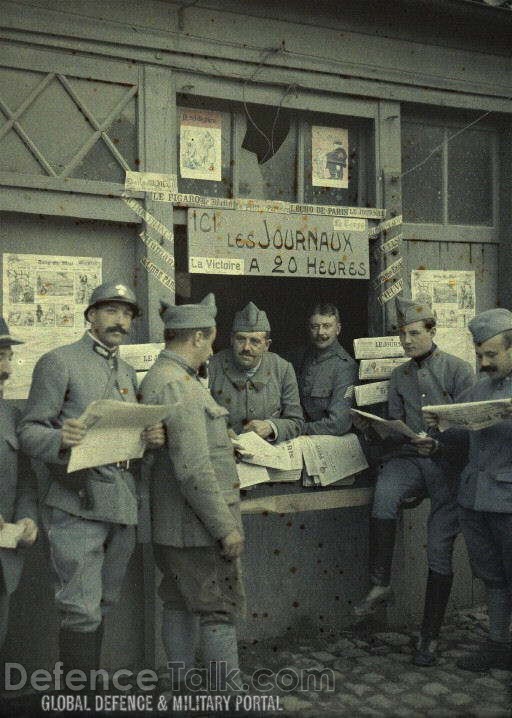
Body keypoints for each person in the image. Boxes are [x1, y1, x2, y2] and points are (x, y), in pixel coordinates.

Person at [17, 282, 164, 684]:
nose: (121, 320)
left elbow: (126, 436)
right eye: (111, 310)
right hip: (75, 501)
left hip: (120, 502)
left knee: (103, 603)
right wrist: (58, 439)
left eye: (127, 313)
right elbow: (29, 431)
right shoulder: (59, 362)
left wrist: (149, 441)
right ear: (91, 315)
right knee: (80, 610)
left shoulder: (126, 371)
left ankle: (86, 699)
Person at [353, 296, 474, 666]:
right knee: (384, 495)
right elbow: (395, 423)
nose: (407, 341)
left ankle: (429, 636)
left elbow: (469, 427)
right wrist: (380, 431)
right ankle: (381, 582)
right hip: (410, 459)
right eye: (402, 335)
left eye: (414, 334)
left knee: (438, 546)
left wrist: (438, 443)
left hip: (447, 466)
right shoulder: (399, 375)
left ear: (432, 331)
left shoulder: (458, 370)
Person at [139, 294, 245, 694]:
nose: (213, 347)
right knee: (218, 610)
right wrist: (225, 528)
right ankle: (230, 698)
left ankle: (180, 691)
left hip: (177, 526)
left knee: (180, 603)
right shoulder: (177, 383)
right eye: (212, 339)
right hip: (196, 527)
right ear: (199, 337)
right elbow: (193, 469)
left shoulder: (165, 377)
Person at [423, 308, 512, 671]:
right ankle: (497, 644)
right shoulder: (477, 391)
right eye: (479, 355)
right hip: (475, 500)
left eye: (492, 355)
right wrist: (437, 435)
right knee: (492, 577)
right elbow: (460, 442)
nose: (484, 362)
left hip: (508, 503)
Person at [208, 302, 303, 442]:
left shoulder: (283, 369)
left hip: (267, 453)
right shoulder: (211, 367)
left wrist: (271, 427)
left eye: (255, 341)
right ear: (231, 339)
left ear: (267, 345)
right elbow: (194, 417)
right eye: (241, 339)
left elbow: (296, 422)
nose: (246, 347)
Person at [0, 318, 38, 653]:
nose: (7, 368)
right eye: (0, 356)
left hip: (3, 560)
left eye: (8, 356)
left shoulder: (9, 416)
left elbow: (24, 479)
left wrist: (27, 518)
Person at [293, 304, 357, 435]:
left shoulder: (345, 367)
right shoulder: (303, 357)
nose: (320, 332)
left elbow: (339, 424)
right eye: (315, 327)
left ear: (338, 329)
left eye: (327, 326)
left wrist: (295, 429)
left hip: (331, 439)